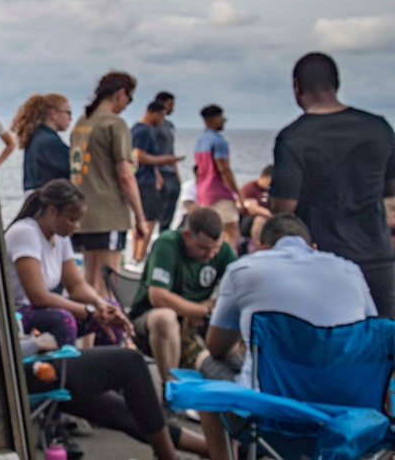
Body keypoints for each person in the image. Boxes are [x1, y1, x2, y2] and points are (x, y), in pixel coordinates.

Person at [196, 213, 377, 460]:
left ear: (261, 247)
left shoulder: (243, 268)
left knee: (205, 364)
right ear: (314, 248)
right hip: (346, 414)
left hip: (268, 416)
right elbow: (372, 342)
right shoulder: (352, 271)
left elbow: (216, 347)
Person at [269, 52, 395, 318]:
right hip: (377, 259)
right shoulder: (379, 128)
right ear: (336, 83)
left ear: (297, 87)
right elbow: (391, 189)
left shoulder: (293, 139)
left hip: (322, 264)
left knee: (329, 348)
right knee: (385, 344)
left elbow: (283, 209)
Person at [22, 336, 208, 460]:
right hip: (15, 373)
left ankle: (216, 450)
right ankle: (169, 457)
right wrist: (35, 343)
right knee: (130, 363)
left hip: (20, 365)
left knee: (131, 410)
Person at [5, 179, 133, 347]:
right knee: (63, 320)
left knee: (112, 310)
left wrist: (99, 305)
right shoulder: (25, 233)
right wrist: (88, 312)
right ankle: (65, 370)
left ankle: (102, 369)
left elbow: (76, 285)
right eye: (72, 219)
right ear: (52, 211)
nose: (77, 226)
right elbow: (38, 297)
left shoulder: (60, 237)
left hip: (38, 310)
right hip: (16, 314)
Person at [129, 207, 236, 383]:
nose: (210, 255)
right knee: (165, 317)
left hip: (197, 323)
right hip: (150, 319)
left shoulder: (223, 251)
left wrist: (212, 304)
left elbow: (241, 290)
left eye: (215, 249)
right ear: (187, 236)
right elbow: (158, 296)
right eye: (203, 248)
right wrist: (200, 311)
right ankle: (170, 389)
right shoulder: (167, 244)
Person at [70, 72, 147, 295]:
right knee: (107, 283)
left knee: (89, 280)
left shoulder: (82, 123)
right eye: (128, 99)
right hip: (109, 212)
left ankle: (88, 327)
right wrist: (140, 218)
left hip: (83, 212)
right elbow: (125, 175)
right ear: (120, 94)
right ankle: (103, 328)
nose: (126, 105)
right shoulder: (115, 124)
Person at [130, 101, 183, 265]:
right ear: (154, 112)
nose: (162, 120)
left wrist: (157, 174)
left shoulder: (137, 129)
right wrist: (166, 159)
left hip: (146, 178)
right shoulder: (143, 130)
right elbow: (139, 156)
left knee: (141, 219)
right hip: (143, 181)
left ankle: (136, 256)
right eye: (161, 115)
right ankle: (139, 257)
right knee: (149, 220)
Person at [194, 104, 243, 250]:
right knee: (231, 231)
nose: (223, 121)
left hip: (203, 193)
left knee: (210, 231)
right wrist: (238, 194)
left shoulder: (200, 141)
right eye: (222, 118)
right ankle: (227, 265)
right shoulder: (219, 142)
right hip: (218, 193)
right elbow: (224, 170)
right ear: (214, 119)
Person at [13, 93, 72, 191]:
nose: (70, 118)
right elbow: (74, 169)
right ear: (54, 114)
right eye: (68, 113)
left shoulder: (37, 137)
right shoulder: (49, 142)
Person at [152, 91, 181, 233]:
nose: (172, 109)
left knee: (169, 211)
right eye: (170, 105)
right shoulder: (154, 126)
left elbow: (171, 151)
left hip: (170, 171)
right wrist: (156, 174)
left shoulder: (169, 125)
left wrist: (177, 173)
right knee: (156, 213)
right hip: (159, 171)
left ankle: (163, 237)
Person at [237, 165, 273, 255]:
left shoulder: (271, 191)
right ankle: (257, 247)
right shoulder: (250, 188)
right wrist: (271, 215)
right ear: (264, 177)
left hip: (268, 219)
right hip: (247, 219)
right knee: (261, 219)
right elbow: (253, 209)